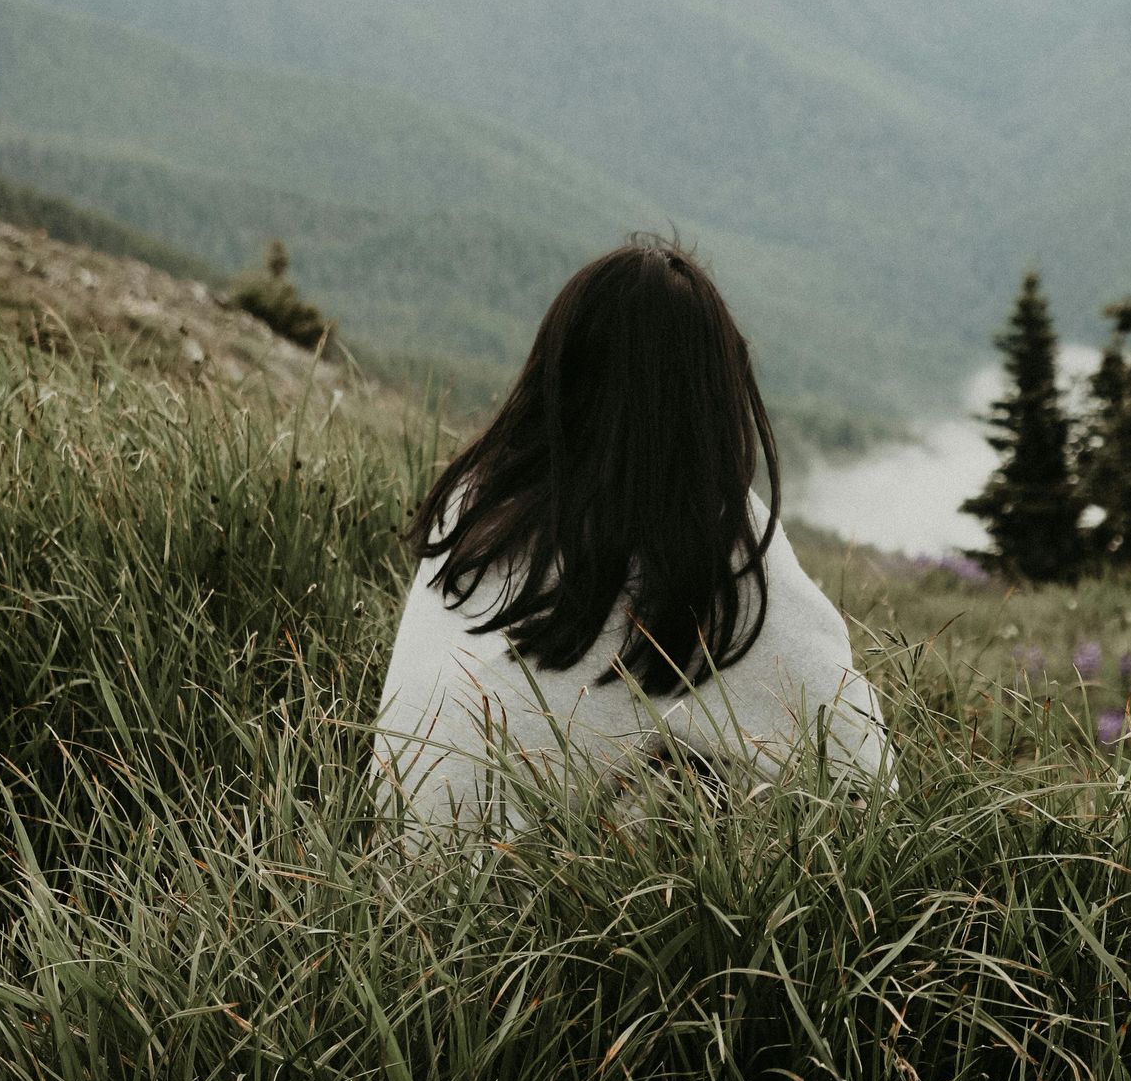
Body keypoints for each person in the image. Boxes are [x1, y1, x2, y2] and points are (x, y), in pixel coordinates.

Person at [375, 240, 887, 829]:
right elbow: (865, 784)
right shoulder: (718, 554)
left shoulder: (476, 500)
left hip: (391, 883)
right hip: (532, 913)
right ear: (714, 394)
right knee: (712, 781)